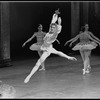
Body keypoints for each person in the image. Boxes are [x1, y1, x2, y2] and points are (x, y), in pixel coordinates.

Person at [24, 9, 77, 83]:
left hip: (47, 50)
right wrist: (55, 15)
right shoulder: (50, 31)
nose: (51, 28)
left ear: (56, 29)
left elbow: (57, 31)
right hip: (43, 46)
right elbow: (52, 22)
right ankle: (30, 75)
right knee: (56, 52)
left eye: (53, 28)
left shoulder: (54, 35)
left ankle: (29, 76)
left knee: (38, 62)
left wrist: (59, 24)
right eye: (51, 27)